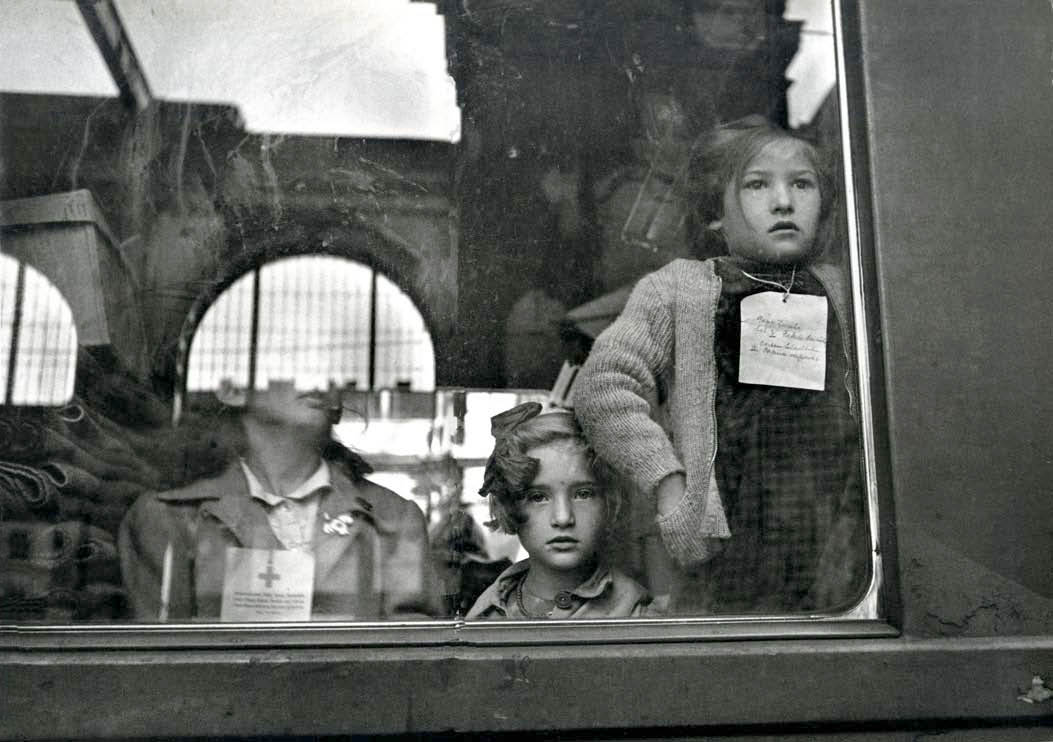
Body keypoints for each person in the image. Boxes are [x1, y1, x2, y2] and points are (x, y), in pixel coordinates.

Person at [574, 117, 869, 613]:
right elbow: (603, 387)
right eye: (757, 184)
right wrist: (669, 487)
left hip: (840, 557)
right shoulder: (680, 290)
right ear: (716, 212)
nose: (783, 201)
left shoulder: (850, 292)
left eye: (802, 183)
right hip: (725, 563)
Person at [119, 378, 440, 620]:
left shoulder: (394, 520)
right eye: (290, 351)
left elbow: (413, 671)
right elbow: (161, 675)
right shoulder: (170, 519)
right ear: (232, 388)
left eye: (334, 360)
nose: (320, 374)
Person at [467, 403, 651, 619]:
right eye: (538, 497)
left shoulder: (638, 613)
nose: (563, 518)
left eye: (583, 494)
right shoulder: (486, 612)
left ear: (609, 502)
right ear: (510, 506)